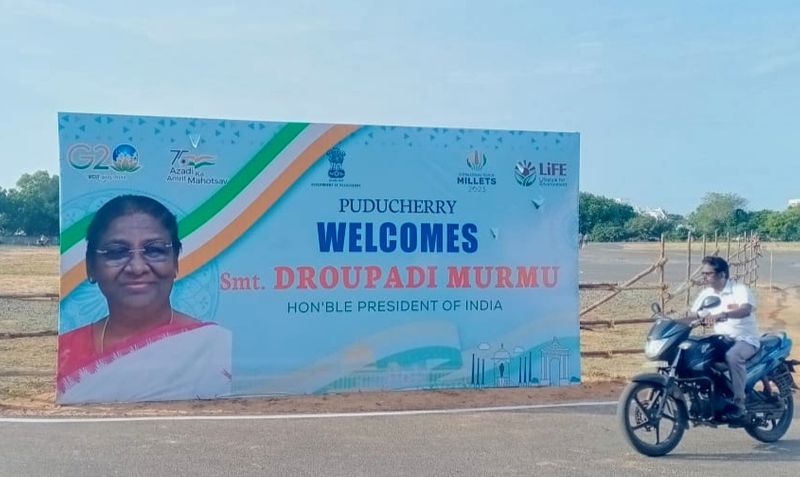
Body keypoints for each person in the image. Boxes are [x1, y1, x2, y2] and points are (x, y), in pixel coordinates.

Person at [57, 194, 232, 404]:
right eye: (116, 252)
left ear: (175, 262)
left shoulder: (211, 345)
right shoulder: (67, 351)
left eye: (155, 250)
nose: (137, 268)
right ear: (91, 267)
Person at [686, 256, 759, 419]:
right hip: (722, 339)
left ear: (722, 274)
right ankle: (714, 397)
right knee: (697, 356)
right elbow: (693, 315)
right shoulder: (707, 294)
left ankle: (739, 404)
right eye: (703, 274)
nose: (704, 277)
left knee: (732, 356)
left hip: (745, 339)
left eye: (708, 274)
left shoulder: (739, 290)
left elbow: (746, 309)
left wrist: (724, 314)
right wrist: (669, 321)